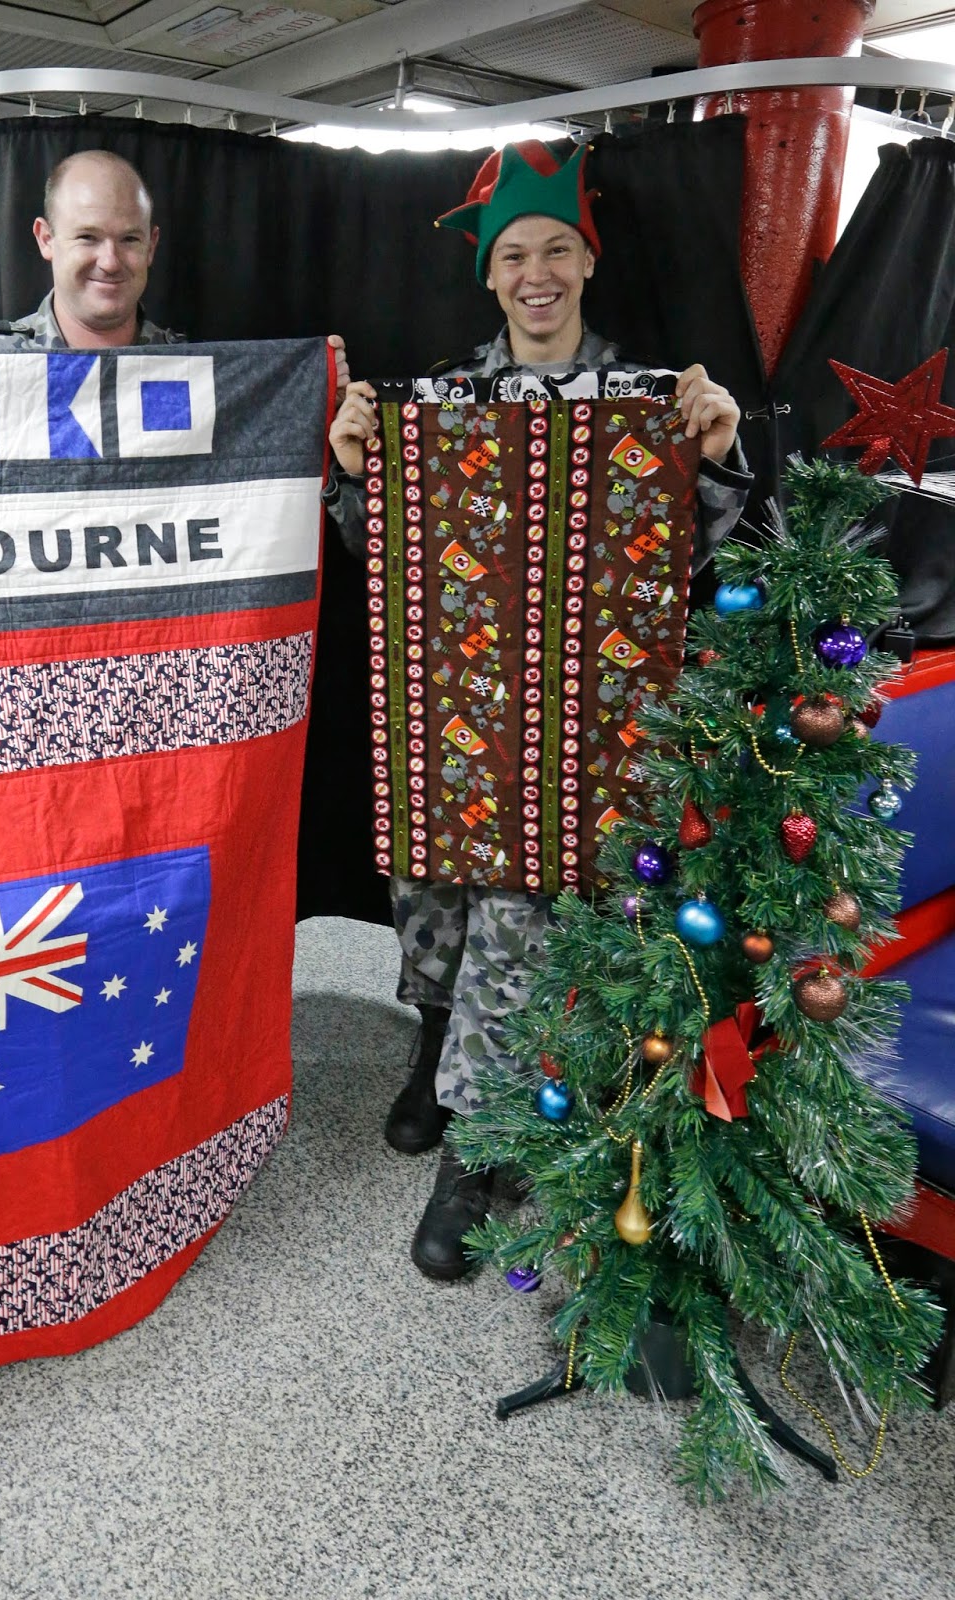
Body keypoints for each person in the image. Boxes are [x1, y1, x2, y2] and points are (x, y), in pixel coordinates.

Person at [325, 140, 753, 1281]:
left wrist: (712, 459)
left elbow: (680, 568)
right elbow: (383, 557)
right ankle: (432, 1051)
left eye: (556, 249)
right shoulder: (440, 401)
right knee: (436, 895)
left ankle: (474, 1136)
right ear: (488, 272)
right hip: (456, 709)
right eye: (514, 254)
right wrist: (358, 474)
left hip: (581, 723)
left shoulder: (650, 401)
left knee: (520, 921)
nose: (536, 274)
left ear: (589, 260)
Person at [0, 149, 182, 351]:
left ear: (151, 246)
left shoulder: (194, 370)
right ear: (46, 239)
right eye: (87, 237)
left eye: (129, 239)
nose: (110, 262)